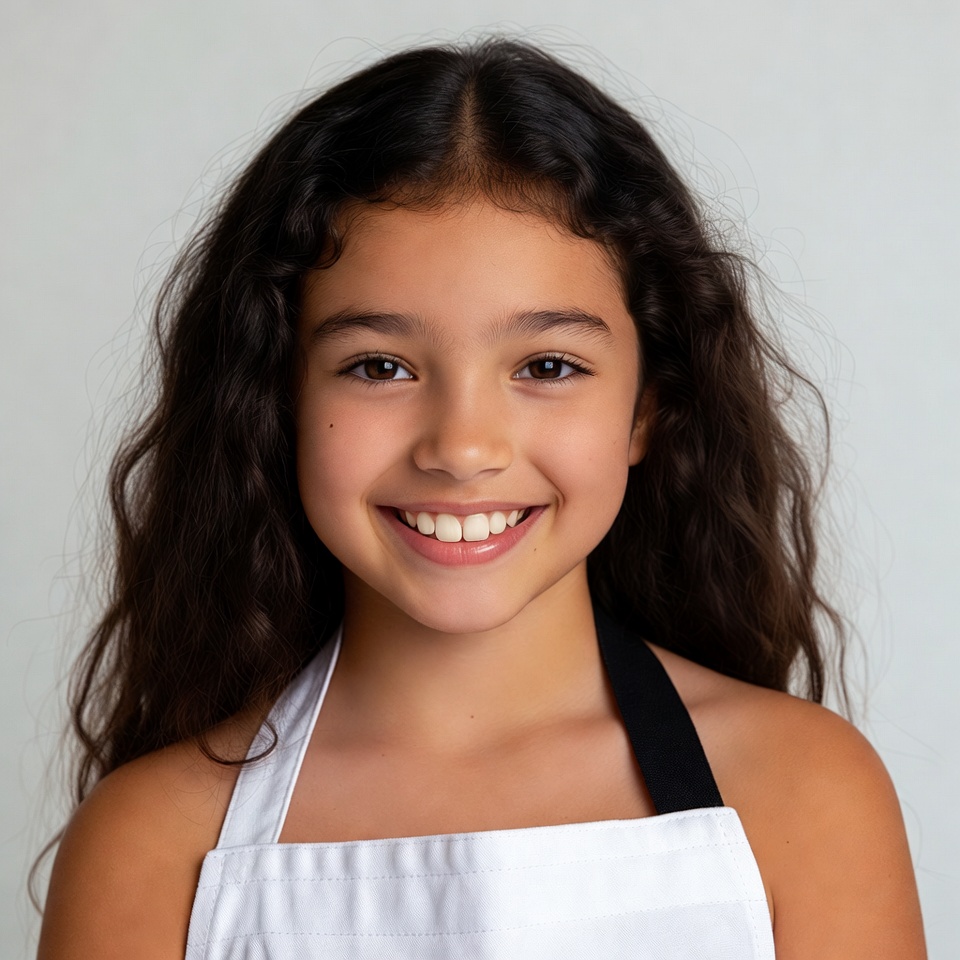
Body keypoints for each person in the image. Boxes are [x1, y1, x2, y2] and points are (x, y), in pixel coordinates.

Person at [36, 37, 926, 959]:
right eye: (379, 367)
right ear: (277, 401)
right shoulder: (151, 845)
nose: (462, 449)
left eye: (548, 366)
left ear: (646, 410)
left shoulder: (803, 794)